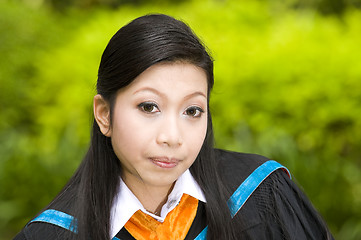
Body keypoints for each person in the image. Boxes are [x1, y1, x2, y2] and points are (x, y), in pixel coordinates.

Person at [14, 14, 334, 240]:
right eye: (149, 107)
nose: (173, 137)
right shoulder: (52, 234)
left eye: (192, 110)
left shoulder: (260, 195)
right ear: (104, 114)